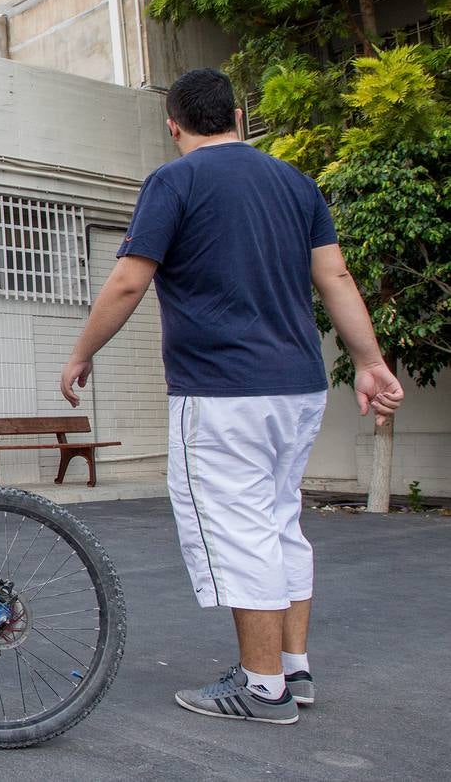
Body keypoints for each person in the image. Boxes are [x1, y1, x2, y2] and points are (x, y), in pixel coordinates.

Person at [58, 68, 403, 725]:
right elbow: (334, 274)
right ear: (238, 116)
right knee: (278, 524)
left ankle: (262, 688)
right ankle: (292, 669)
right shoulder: (295, 183)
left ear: (173, 124)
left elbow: (131, 280)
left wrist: (82, 353)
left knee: (241, 533)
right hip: (297, 387)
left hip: (221, 392)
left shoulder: (174, 180)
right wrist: (370, 361)